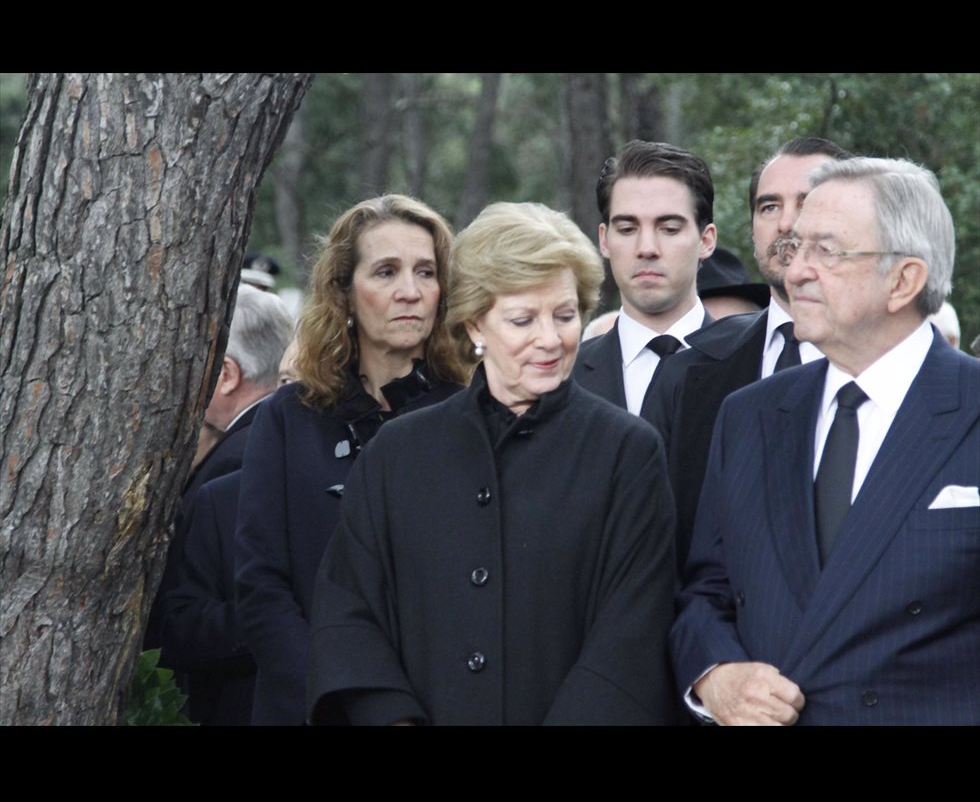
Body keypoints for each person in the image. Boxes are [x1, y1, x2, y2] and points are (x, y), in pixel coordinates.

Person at [307, 202, 678, 726]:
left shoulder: (628, 452)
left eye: (566, 315)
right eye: (523, 319)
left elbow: (633, 633)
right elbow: (349, 611)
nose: (550, 339)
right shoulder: (398, 452)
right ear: (476, 322)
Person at [671, 157, 980, 725]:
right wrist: (715, 675)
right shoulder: (749, 415)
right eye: (794, 250)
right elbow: (706, 591)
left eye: (826, 251)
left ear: (903, 280)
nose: (795, 273)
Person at [235, 195, 465, 725]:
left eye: (426, 272)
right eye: (386, 272)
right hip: (309, 705)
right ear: (344, 291)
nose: (410, 291)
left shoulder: (474, 415)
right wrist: (342, 699)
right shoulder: (288, 419)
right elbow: (261, 588)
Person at [647, 138, 852, 570]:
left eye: (808, 202)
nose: (786, 223)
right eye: (769, 207)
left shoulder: (900, 366)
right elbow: (658, 552)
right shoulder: (686, 374)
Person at [145, 284, 293, 650]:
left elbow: (241, 602)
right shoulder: (280, 439)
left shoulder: (242, 458)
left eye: (193, 362)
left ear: (226, 374)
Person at [574, 140, 717, 424]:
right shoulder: (564, 377)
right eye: (627, 229)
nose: (647, 247)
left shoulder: (753, 365)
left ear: (706, 240)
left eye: (669, 229)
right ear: (604, 240)